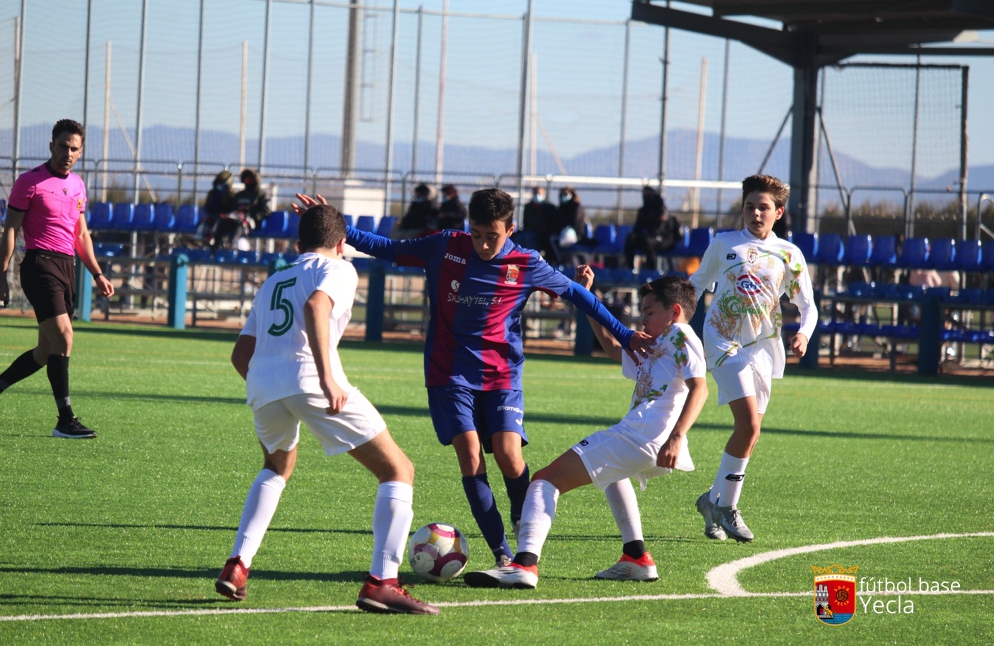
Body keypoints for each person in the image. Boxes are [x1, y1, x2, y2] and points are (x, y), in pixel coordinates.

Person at [294, 188, 652, 575]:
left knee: (510, 457)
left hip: (502, 375)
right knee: (470, 455)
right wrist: (336, 224)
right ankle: (502, 553)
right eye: (476, 232)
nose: (482, 243)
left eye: (492, 236)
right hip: (449, 373)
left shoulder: (528, 263)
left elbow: (581, 297)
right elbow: (389, 248)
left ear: (510, 229)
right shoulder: (446, 246)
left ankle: (521, 516)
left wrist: (626, 334)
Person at [216, 203, 438, 615]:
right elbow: (316, 307)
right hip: (311, 379)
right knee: (398, 470)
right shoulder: (339, 268)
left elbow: (240, 353)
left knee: (276, 468)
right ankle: (382, 582)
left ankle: (238, 564)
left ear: (298, 244)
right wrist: (326, 378)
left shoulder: (274, 279)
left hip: (263, 384)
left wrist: (272, 383)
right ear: (341, 243)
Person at [463, 272, 707, 589]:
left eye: (649, 312)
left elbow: (698, 388)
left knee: (544, 480)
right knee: (614, 477)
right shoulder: (658, 344)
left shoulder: (681, 335)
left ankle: (523, 564)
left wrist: (676, 437)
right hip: (643, 436)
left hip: (643, 436)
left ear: (674, 311)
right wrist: (586, 297)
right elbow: (611, 347)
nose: (642, 319)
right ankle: (636, 557)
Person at [689, 174, 817, 542]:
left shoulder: (789, 254)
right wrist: (677, 323)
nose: (755, 213)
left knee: (749, 434)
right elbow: (697, 285)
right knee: (748, 425)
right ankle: (728, 509)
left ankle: (712, 500)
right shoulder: (724, 244)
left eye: (763, 207)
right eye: (749, 207)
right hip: (722, 340)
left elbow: (809, 308)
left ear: (778, 212)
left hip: (763, 348)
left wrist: (803, 335)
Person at [0, 118, 115, 439]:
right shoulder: (29, 182)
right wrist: (2, 273)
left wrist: (97, 272)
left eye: (74, 148)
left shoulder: (78, 185)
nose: (68, 152)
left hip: (67, 267)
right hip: (39, 265)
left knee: (44, 350)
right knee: (64, 339)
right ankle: (65, 420)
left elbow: (81, 234)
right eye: (63, 146)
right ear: (51, 146)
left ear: (80, 152)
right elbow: (10, 229)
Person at [625, 186, 681, 271]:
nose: (646, 196)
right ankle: (630, 270)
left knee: (648, 242)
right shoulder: (643, 210)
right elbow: (638, 228)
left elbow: (660, 230)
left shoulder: (662, 209)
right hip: (649, 237)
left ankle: (652, 272)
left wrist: (649, 236)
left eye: (648, 194)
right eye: (644, 194)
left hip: (665, 239)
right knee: (631, 238)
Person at [214, 169, 270, 250]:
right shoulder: (240, 194)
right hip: (236, 217)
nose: (248, 181)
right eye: (246, 179)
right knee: (223, 221)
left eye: (250, 179)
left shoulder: (261, 194)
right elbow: (232, 207)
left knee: (239, 223)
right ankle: (215, 247)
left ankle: (231, 245)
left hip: (250, 220)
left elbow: (266, 210)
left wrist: (253, 215)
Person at [516, 186, 560, 264]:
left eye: (539, 193)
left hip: (546, 233)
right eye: (536, 193)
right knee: (521, 238)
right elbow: (526, 222)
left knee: (532, 239)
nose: (537, 195)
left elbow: (553, 222)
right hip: (531, 231)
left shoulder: (549, 207)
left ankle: (536, 260)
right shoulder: (528, 207)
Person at [199, 170, 234, 246]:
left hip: (224, 219)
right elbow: (207, 207)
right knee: (205, 223)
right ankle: (201, 241)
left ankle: (215, 244)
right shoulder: (212, 193)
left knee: (218, 225)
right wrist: (211, 213)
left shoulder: (231, 194)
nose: (220, 185)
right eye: (219, 182)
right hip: (212, 216)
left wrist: (225, 195)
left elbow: (231, 208)